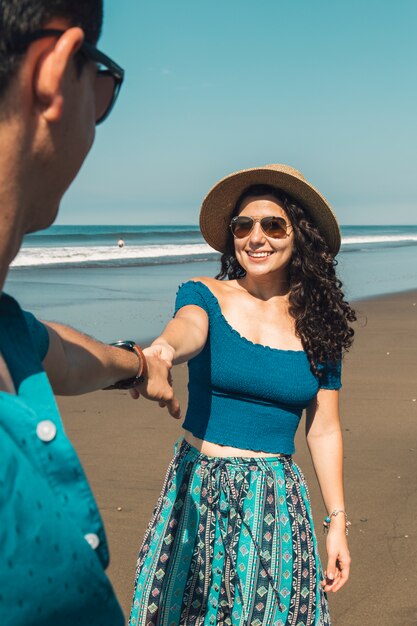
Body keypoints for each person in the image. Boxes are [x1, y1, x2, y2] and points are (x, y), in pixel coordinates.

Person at [0, 2, 180, 625]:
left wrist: (137, 364)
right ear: (53, 72)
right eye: (100, 83)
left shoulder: (9, 330)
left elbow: (67, 358)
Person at [129, 164, 356, 626]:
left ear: (300, 235)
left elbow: (325, 429)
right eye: (243, 226)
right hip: (195, 488)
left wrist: (337, 522)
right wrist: (162, 351)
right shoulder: (204, 295)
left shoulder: (319, 326)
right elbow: (186, 330)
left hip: (271, 499)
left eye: (273, 225)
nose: (257, 237)